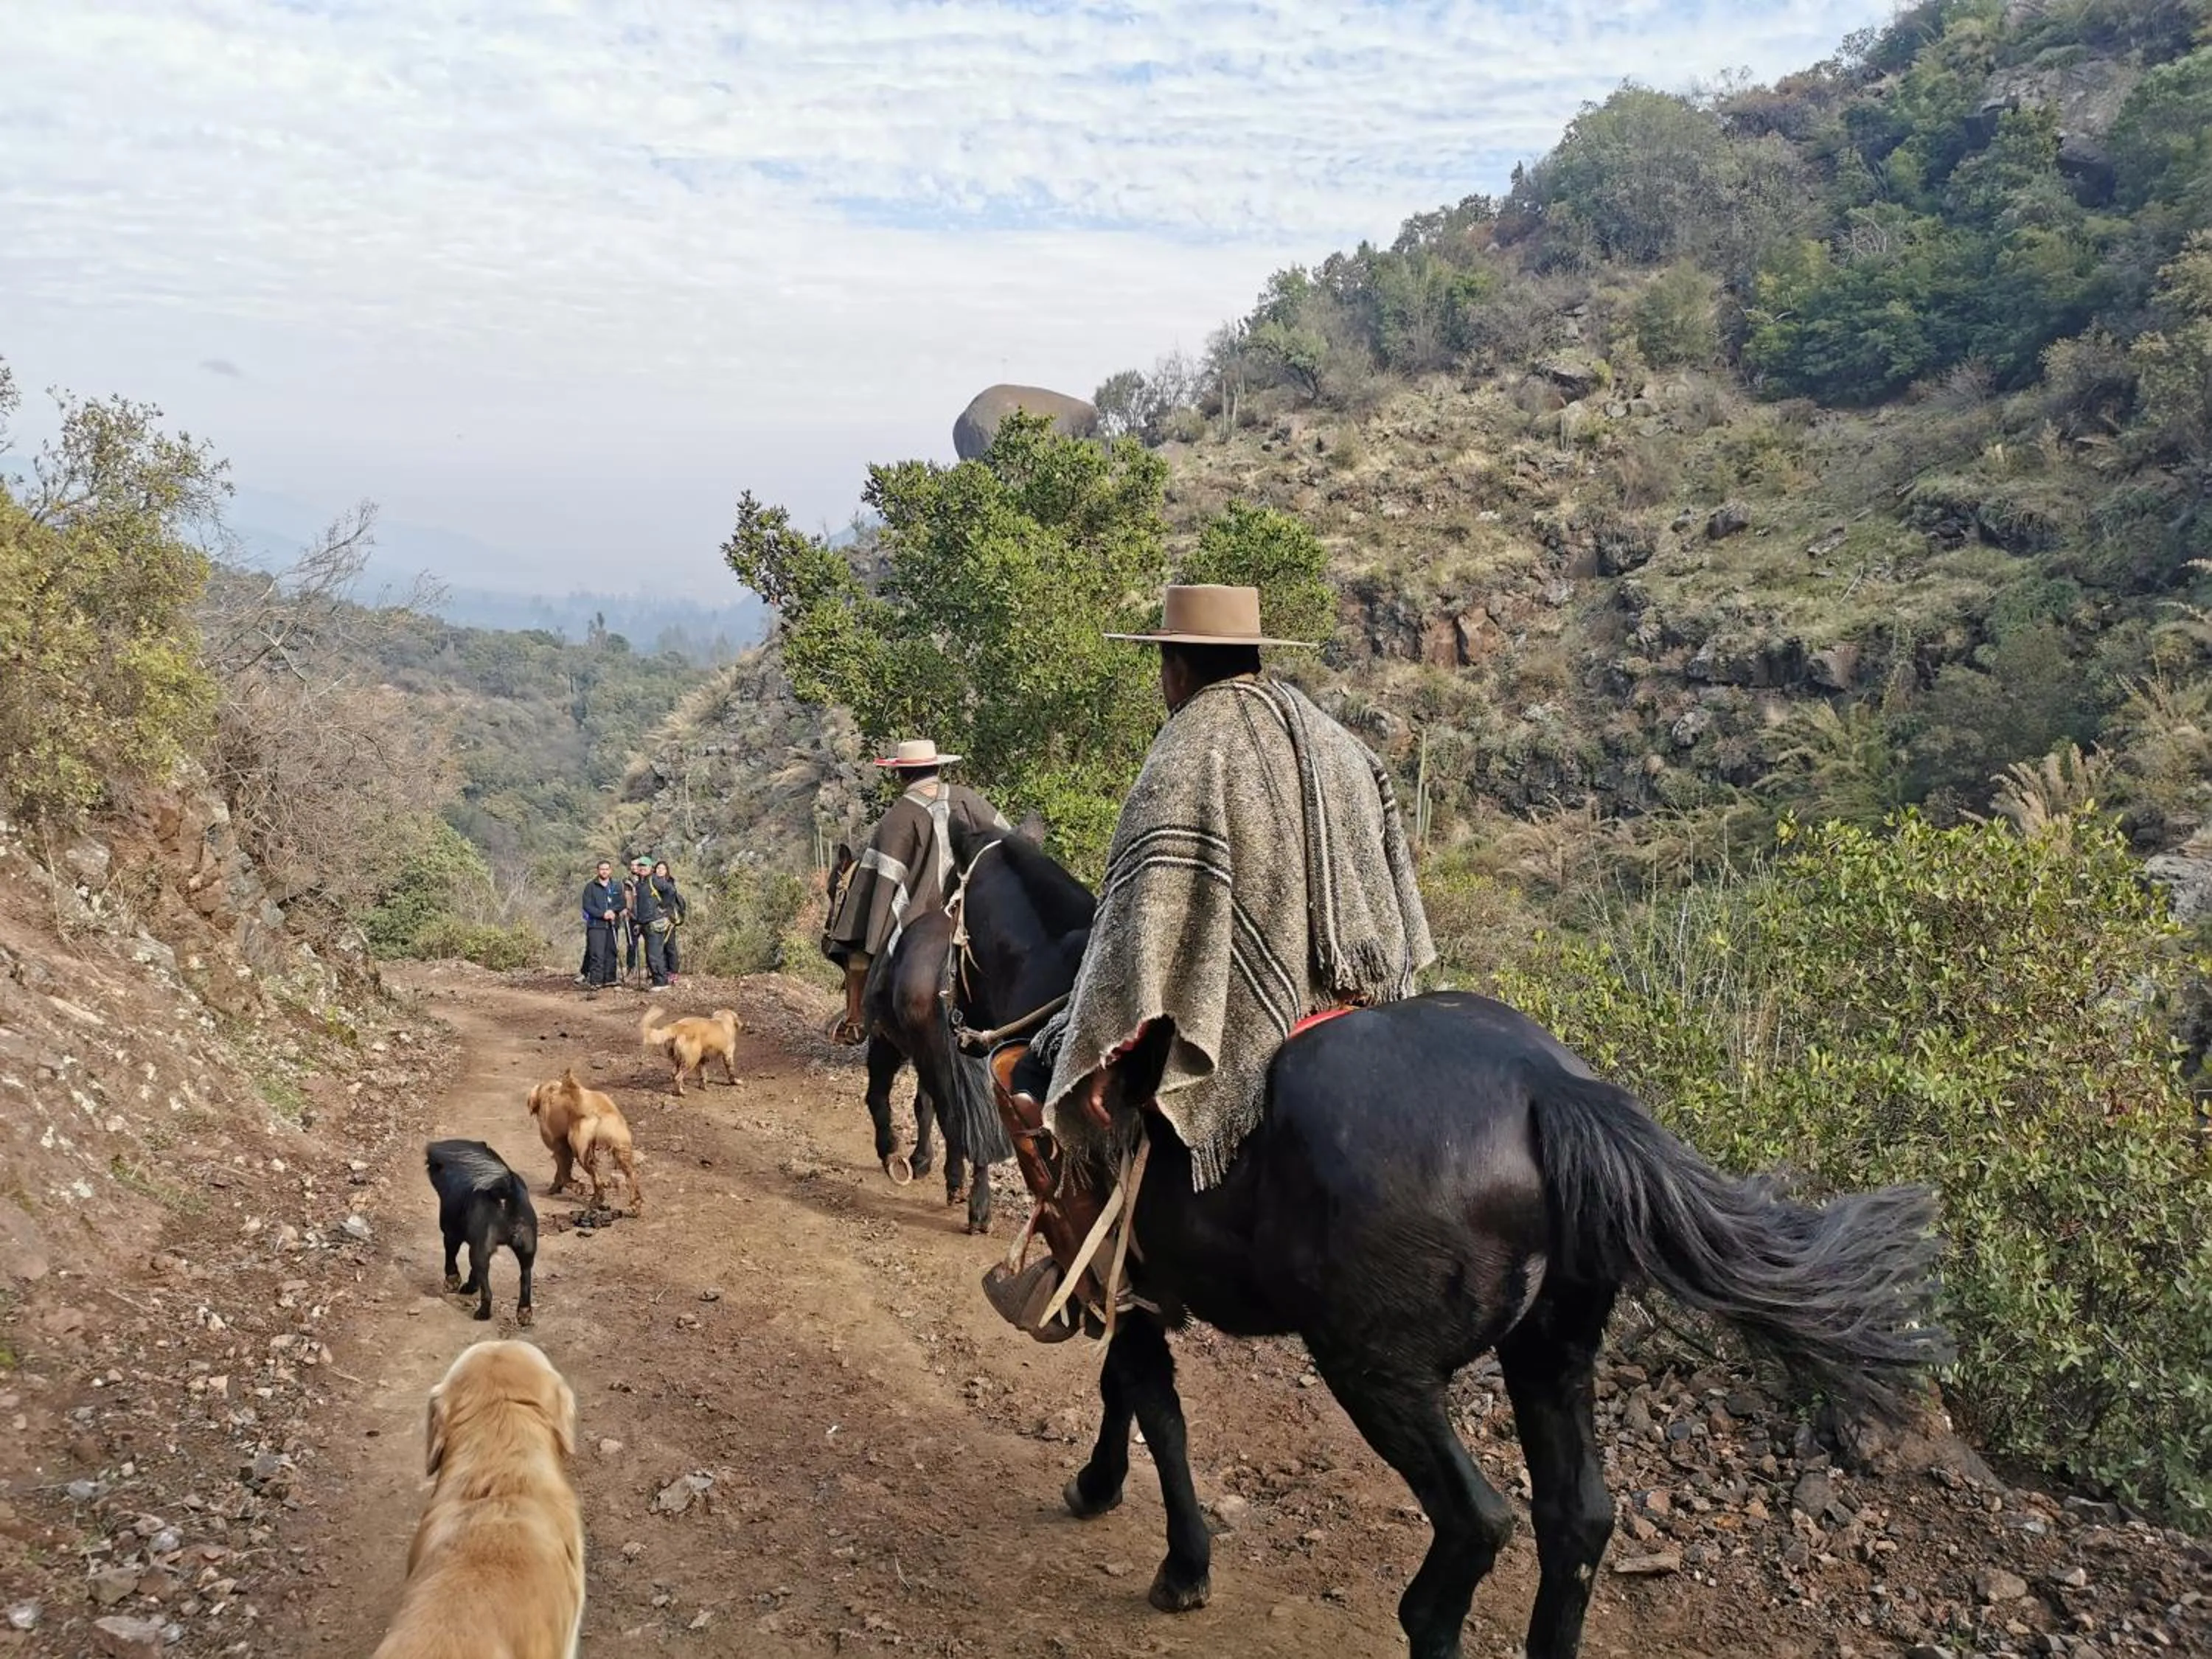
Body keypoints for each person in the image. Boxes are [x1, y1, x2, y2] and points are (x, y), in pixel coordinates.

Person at [996, 585, 1433, 1333]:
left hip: (1242, 1008)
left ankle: (1104, 1280)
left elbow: (1141, 923)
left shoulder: (1187, 746)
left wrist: (1107, 1048)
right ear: (1254, 652)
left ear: (1174, 666)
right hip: (1353, 994)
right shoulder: (1336, 738)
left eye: (1164, 668)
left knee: (1031, 1072)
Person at [821, 738, 1013, 1045]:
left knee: (856, 951)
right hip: (977, 912)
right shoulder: (970, 800)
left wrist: (857, 928)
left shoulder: (896, 820)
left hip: (917, 918)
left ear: (902, 774)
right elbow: (1011, 844)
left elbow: (872, 888)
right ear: (937, 768)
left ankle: (856, 1021)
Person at [629, 852, 673, 989]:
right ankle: (657, 981)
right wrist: (638, 922)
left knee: (655, 954)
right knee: (650, 954)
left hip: (655, 922)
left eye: (645, 865)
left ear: (650, 868)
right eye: (640, 865)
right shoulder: (639, 884)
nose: (642, 868)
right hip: (644, 923)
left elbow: (671, 890)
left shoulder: (654, 880)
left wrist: (663, 906)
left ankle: (661, 983)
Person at [580, 860, 625, 990]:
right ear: (598, 871)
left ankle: (609, 979)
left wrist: (613, 911)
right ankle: (596, 981)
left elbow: (622, 903)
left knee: (611, 952)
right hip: (596, 925)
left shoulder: (617, 886)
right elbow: (587, 906)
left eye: (606, 869)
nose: (604, 871)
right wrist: (602, 914)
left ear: (610, 870)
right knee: (597, 954)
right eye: (602, 869)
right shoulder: (590, 887)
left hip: (612, 925)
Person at [651, 860, 687, 982]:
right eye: (658, 868)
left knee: (670, 945)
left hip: (669, 918)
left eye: (663, 869)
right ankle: (664, 970)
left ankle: (673, 972)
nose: (660, 870)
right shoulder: (653, 882)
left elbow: (669, 899)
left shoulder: (668, 884)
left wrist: (662, 907)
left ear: (667, 871)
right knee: (661, 946)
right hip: (658, 919)